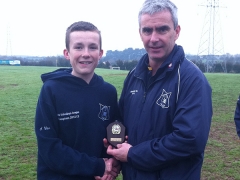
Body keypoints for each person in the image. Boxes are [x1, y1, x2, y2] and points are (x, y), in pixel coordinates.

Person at [107, 0, 213, 179]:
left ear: (176, 31)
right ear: (140, 33)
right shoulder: (134, 75)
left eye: (162, 29)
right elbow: (120, 121)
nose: (153, 38)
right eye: (147, 30)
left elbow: (189, 140)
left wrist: (133, 154)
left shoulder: (191, 79)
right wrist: (115, 146)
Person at [35, 21, 120, 180]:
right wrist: (98, 166)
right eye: (78, 47)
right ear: (67, 53)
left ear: (100, 53)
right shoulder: (51, 90)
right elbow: (50, 149)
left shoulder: (108, 92)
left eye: (92, 47)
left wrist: (113, 161)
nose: (86, 53)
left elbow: (114, 134)